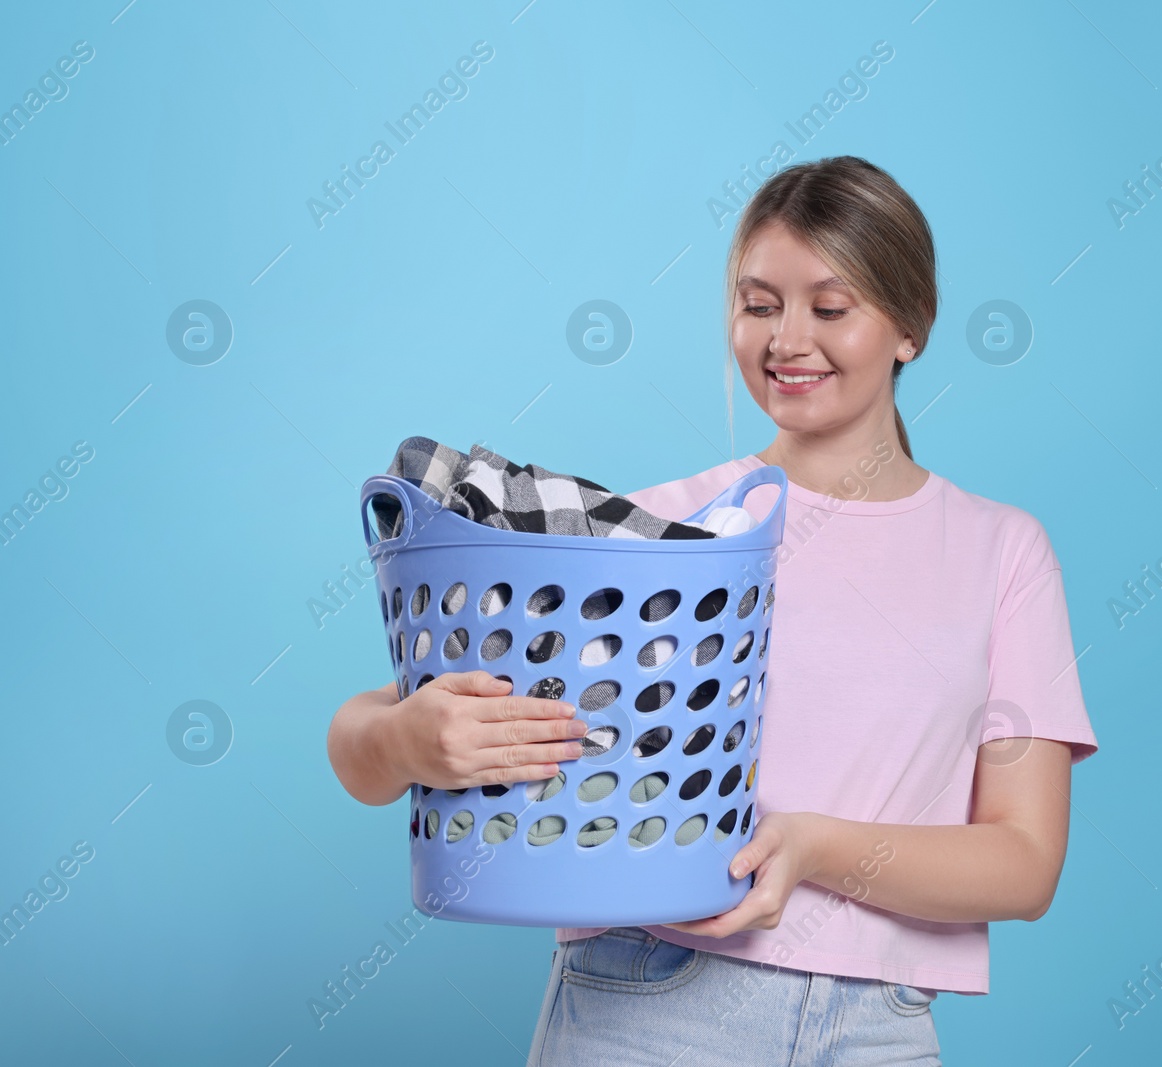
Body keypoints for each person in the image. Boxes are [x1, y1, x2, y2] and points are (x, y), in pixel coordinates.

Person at [326, 155, 1099, 1066]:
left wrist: (811, 848)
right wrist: (409, 740)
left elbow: (1023, 860)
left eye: (830, 306)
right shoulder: (664, 531)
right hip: (652, 1000)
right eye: (759, 304)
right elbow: (366, 733)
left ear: (910, 326)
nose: (786, 341)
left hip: (881, 1028)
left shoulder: (1000, 551)